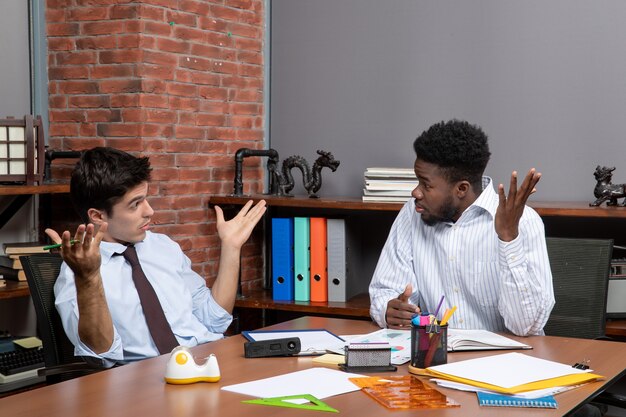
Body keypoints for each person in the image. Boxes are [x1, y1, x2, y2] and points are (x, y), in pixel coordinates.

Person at [46, 147, 266, 367]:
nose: (149, 211)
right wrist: (89, 277)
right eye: (135, 204)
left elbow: (214, 320)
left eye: (146, 199)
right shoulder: (76, 274)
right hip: (150, 381)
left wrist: (231, 247)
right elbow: (101, 355)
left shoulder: (163, 247)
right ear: (98, 216)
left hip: (212, 358)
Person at [369, 119, 555, 336]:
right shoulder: (412, 213)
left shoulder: (524, 221)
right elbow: (385, 290)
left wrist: (508, 238)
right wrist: (388, 309)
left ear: (461, 189)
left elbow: (527, 326)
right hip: (436, 357)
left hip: (505, 361)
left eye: (426, 185)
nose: (415, 193)